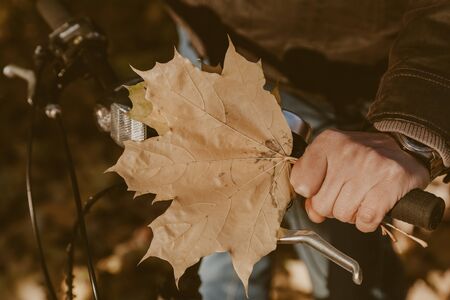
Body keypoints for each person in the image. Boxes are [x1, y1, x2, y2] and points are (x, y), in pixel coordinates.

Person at [166, 1, 450, 299]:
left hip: (353, 77)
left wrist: (413, 130)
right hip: (211, 45)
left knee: (353, 282)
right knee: (220, 258)